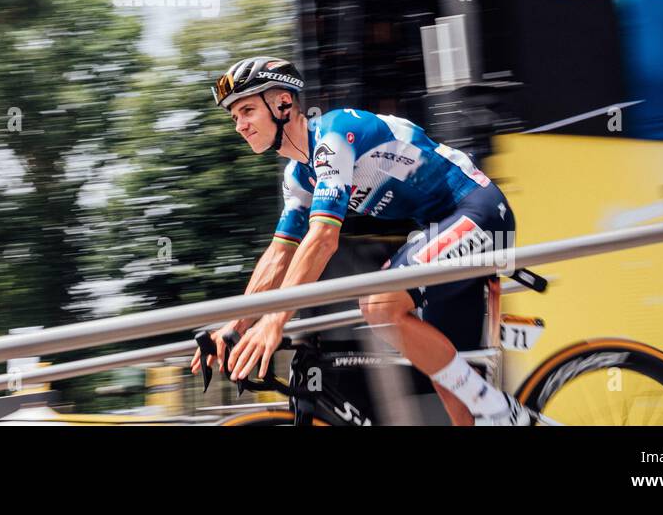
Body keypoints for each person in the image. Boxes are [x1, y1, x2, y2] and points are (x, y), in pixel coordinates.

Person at [190, 55, 536, 425]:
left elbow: (323, 238)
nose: (239, 125)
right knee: (460, 402)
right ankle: (498, 412)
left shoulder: (334, 136)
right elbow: (279, 255)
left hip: (481, 213)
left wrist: (274, 321)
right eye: (234, 117)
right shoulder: (297, 177)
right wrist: (237, 326)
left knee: (380, 304)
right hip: (440, 229)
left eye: (246, 110)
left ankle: (503, 411)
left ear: (283, 104)